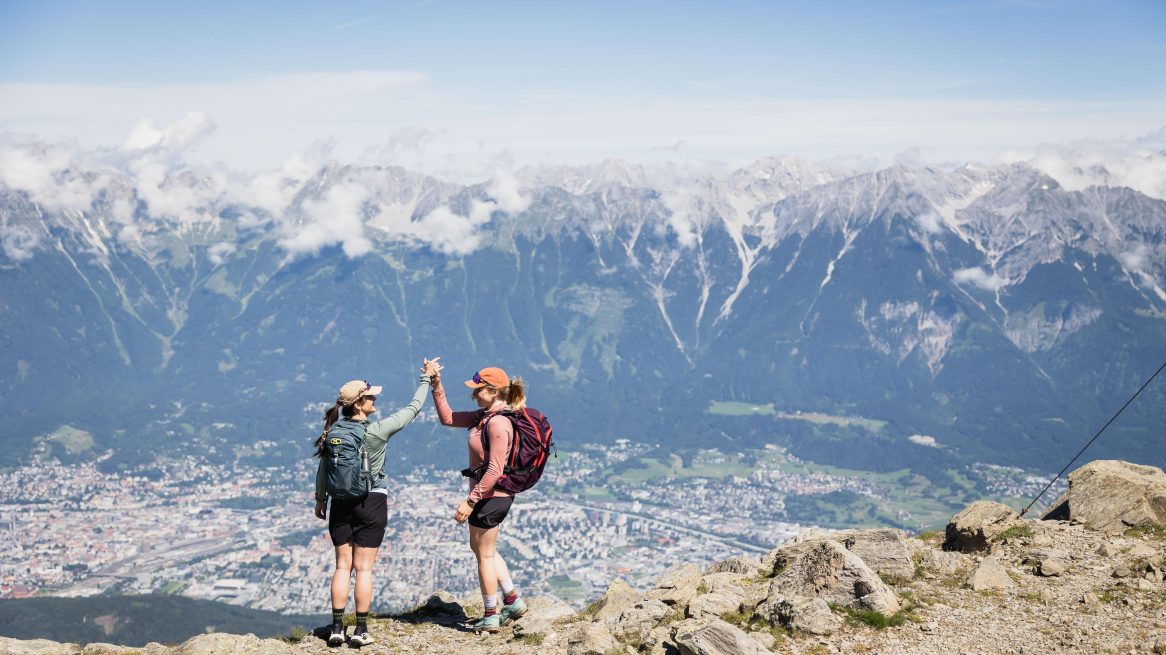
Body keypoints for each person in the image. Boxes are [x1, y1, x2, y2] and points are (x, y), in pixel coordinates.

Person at [313, 361, 439, 647]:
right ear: (358, 404)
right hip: (372, 500)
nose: (375, 400)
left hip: (340, 502)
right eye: (370, 397)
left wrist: (321, 499)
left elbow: (323, 471)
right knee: (365, 569)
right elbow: (412, 410)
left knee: (343, 567)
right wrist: (426, 379)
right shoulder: (376, 431)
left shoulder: (332, 433)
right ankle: (360, 630)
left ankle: (336, 627)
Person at [427, 360, 528, 634]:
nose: (474, 395)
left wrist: (470, 500)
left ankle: (491, 614)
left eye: (478, 390)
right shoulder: (482, 417)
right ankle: (512, 600)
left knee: (483, 555)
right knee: (483, 549)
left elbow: (495, 469)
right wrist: (436, 385)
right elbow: (447, 418)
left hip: (491, 495)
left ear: (494, 391)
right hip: (489, 494)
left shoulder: (498, 423)